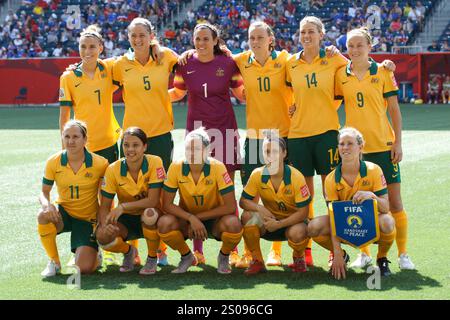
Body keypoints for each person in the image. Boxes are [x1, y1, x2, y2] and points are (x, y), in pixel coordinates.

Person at [286, 17, 395, 267]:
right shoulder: (290, 63)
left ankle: (345, 251)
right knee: (304, 196)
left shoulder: (335, 58)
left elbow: (362, 65)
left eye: (311, 31)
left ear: (321, 34)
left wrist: (386, 64)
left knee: (331, 194)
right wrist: (293, 109)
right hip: (298, 135)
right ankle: (306, 253)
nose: (306, 36)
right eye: (303, 32)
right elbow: (289, 94)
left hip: (326, 133)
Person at [334, 27, 415, 270]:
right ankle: (365, 253)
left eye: (360, 45)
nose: (355, 50)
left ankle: (402, 254)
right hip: (357, 151)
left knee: (394, 202)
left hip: (383, 146)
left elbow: (394, 110)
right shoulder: (341, 74)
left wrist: (398, 142)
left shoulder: (382, 71)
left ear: (370, 47)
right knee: (359, 201)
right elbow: (329, 102)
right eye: (351, 46)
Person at [170, 23, 244, 265]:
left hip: (224, 128)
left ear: (215, 40)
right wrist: (146, 95)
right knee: (194, 188)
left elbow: (242, 93)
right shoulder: (185, 64)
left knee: (228, 186)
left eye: (205, 38)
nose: (200, 43)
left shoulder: (228, 63)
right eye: (197, 39)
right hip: (197, 130)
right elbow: (178, 92)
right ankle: (197, 250)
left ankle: (231, 249)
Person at [112, 17, 176, 264]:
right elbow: (92, 67)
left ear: (152, 36)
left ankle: (160, 249)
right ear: (128, 38)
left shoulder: (166, 57)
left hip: (159, 135)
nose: (137, 39)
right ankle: (133, 251)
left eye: (142, 35)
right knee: (127, 194)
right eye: (133, 35)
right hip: (131, 138)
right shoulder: (119, 65)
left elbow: (190, 60)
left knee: (158, 195)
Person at [59, 25, 123, 267]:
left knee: (108, 198)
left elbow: (131, 56)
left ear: (101, 48)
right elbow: (64, 115)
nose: (87, 50)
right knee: (85, 199)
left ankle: (108, 245)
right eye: (83, 46)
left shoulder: (109, 69)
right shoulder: (68, 77)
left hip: (108, 144)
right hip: (83, 149)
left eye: (92, 46)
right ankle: (87, 245)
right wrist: (66, 146)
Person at [308, 127, 396, 278]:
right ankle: (343, 256)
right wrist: (337, 254)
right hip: (344, 226)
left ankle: (381, 258)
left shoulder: (374, 170)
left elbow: (386, 207)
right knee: (313, 227)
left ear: (360, 147)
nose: (345, 147)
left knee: (388, 221)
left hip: (371, 224)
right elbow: (334, 217)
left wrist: (371, 196)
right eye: (342, 144)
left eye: (350, 143)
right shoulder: (330, 179)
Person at [158, 128, 243, 274]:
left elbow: (230, 206)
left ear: (208, 150)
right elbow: (167, 204)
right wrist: (190, 218)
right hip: (186, 221)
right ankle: (187, 257)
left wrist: (197, 218)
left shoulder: (217, 167)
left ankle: (223, 257)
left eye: (197, 148)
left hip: (215, 221)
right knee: (164, 223)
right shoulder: (176, 167)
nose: (192, 153)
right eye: (188, 149)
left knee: (234, 224)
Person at [38, 120, 108, 277]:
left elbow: (105, 197)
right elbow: (44, 192)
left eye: (76, 136)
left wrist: (101, 220)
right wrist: (46, 205)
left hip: (87, 219)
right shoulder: (53, 161)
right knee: (42, 215)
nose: (71, 141)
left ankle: (95, 255)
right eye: (67, 136)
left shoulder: (100, 163)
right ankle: (54, 262)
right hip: (64, 214)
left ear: (85, 139)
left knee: (83, 269)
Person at [96, 127, 166, 275]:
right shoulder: (113, 169)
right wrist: (104, 225)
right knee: (102, 236)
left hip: (152, 217)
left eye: (135, 145)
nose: (130, 149)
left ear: (145, 146)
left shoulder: (155, 162)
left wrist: (122, 207)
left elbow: (153, 201)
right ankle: (129, 252)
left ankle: (152, 258)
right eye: (126, 145)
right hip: (127, 219)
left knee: (149, 213)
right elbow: (105, 206)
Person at [240, 133, 311, 275]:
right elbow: (243, 201)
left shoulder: (296, 176)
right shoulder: (257, 174)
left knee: (298, 232)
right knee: (247, 216)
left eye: (275, 151)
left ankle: (298, 258)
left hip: (293, 224)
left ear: (284, 153)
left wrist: (279, 224)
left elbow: (303, 212)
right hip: (269, 222)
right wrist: (259, 208)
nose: (270, 155)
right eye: (267, 151)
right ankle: (257, 261)